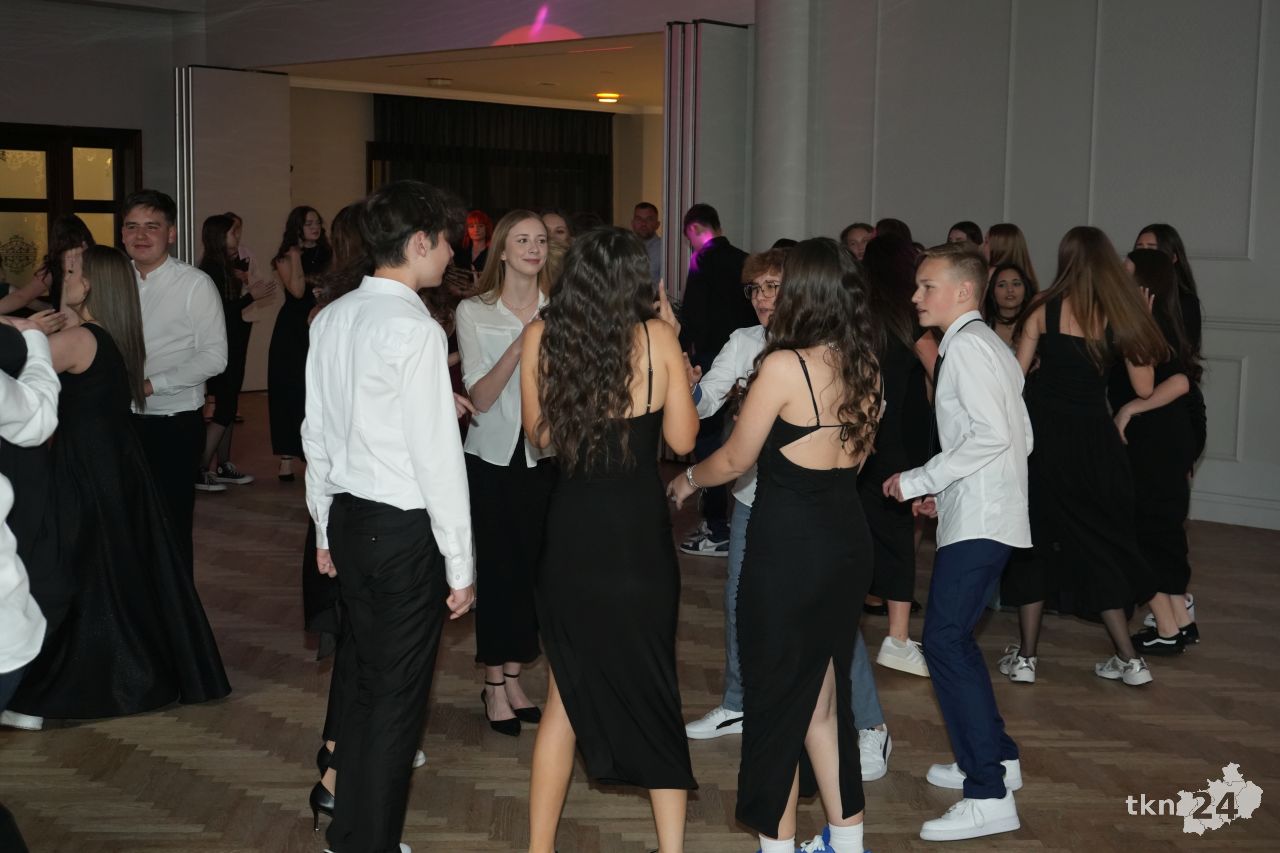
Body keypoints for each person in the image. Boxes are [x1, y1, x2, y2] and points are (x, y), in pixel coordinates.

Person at [668, 237, 881, 853]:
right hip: (846, 542)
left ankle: (779, 847)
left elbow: (736, 457)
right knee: (824, 701)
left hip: (789, 549)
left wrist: (685, 480)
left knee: (773, 707)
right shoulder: (864, 361)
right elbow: (860, 455)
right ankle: (847, 842)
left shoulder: (785, 365)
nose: (769, 297)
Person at [302, 180, 475, 853]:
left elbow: (315, 432)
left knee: (365, 682)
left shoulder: (333, 316)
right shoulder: (416, 329)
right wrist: (460, 563)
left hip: (349, 520)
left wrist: (323, 527)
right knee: (396, 699)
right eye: (447, 242)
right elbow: (437, 457)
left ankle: (350, 833)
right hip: (403, 530)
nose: (452, 253)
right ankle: (366, 843)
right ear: (419, 242)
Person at [521, 227, 698, 853]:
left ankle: (539, 850)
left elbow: (540, 437)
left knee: (563, 698)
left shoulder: (543, 336)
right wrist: (675, 351)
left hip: (571, 536)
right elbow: (683, 442)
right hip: (638, 540)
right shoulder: (657, 338)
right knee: (655, 687)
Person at [7, 245, 230, 726]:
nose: (62, 279)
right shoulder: (104, 334)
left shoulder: (77, 341)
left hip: (84, 467)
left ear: (89, 285)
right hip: (109, 462)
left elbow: (14, 363)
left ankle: (53, 687)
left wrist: (21, 327)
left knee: (70, 571)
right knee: (101, 570)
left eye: (70, 272)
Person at [883, 242, 1031, 842]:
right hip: (987, 513)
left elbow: (995, 435)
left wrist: (921, 479)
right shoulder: (987, 343)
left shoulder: (966, 347)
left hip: (982, 521)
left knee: (944, 642)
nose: (916, 296)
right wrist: (947, 493)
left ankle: (988, 793)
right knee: (954, 641)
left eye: (927, 286)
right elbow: (1021, 436)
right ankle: (1000, 760)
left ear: (963, 291)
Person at [1002, 226, 1167, 686]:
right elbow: (1145, 388)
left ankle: (1027, 658)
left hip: (1044, 443)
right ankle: (1130, 660)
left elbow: (1013, 382)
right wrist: (1143, 325)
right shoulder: (1121, 314)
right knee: (1100, 546)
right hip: (1095, 445)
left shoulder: (1042, 308)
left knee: (1033, 543)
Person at [456, 210, 554, 737]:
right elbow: (481, 396)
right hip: (491, 458)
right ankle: (494, 684)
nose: (534, 248)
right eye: (522, 240)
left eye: (540, 240)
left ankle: (514, 678)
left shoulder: (560, 308)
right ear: (502, 249)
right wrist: (523, 343)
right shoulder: (474, 311)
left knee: (534, 572)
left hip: (546, 457)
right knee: (497, 572)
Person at [122, 189, 227, 575]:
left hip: (173, 423)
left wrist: (152, 385)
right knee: (127, 525)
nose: (140, 235)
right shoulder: (113, 281)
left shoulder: (194, 284)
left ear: (171, 233)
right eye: (131, 226)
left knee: (170, 525)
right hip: (120, 421)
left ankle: (175, 606)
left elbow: (214, 356)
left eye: (152, 226)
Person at [856, 235, 938, 679]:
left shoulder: (854, 312)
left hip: (854, 432)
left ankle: (842, 627)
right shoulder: (908, 317)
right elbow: (942, 370)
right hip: (898, 437)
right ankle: (899, 639)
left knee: (855, 530)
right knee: (897, 533)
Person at [1113, 249, 1201, 653]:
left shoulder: (1144, 327)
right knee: (1161, 532)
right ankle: (1181, 621)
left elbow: (1145, 386)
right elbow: (1180, 381)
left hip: (1152, 444)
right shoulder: (1165, 323)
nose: (1120, 280)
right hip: (1166, 440)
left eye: (1127, 274)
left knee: (1141, 534)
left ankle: (1166, 629)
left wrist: (1129, 408)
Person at [677, 203, 752, 558]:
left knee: (707, 439)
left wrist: (681, 354)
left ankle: (717, 524)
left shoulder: (701, 259)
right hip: (748, 355)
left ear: (694, 229)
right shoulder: (744, 259)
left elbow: (692, 315)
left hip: (710, 360)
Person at [196, 214, 275, 491]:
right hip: (223, 343)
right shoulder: (212, 268)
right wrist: (252, 295)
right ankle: (200, 469)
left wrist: (246, 285)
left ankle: (223, 465)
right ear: (219, 236)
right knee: (226, 406)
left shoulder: (224, 265)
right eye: (233, 233)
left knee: (228, 406)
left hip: (234, 340)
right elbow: (221, 311)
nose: (238, 237)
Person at [269, 205, 332, 483]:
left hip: (321, 322)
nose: (315, 227)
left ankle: (313, 453)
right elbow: (296, 291)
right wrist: (295, 255)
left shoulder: (330, 254)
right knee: (289, 388)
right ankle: (286, 456)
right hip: (292, 329)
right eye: (308, 223)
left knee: (313, 389)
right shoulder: (285, 257)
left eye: (317, 222)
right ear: (297, 227)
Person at [983, 262, 1037, 351]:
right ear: (992, 291)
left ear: (1025, 288)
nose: (1010, 289)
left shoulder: (1035, 324)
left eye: (1016, 284)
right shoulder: (983, 328)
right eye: (1002, 285)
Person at [984, 223, 1039, 291]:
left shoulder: (993, 274)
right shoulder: (1028, 277)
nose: (982, 246)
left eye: (986, 242)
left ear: (999, 247)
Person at [632, 201, 663, 285]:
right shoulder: (624, 248)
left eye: (649, 219)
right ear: (632, 223)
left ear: (657, 224)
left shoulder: (664, 250)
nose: (643, 223)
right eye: (639, 219)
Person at [457, 209, 493, 275]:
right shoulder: (459, 251)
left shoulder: (493, 253)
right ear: (467, 229)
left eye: (480, 226)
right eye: (471, 226)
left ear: (487, 228)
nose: (476, 230)